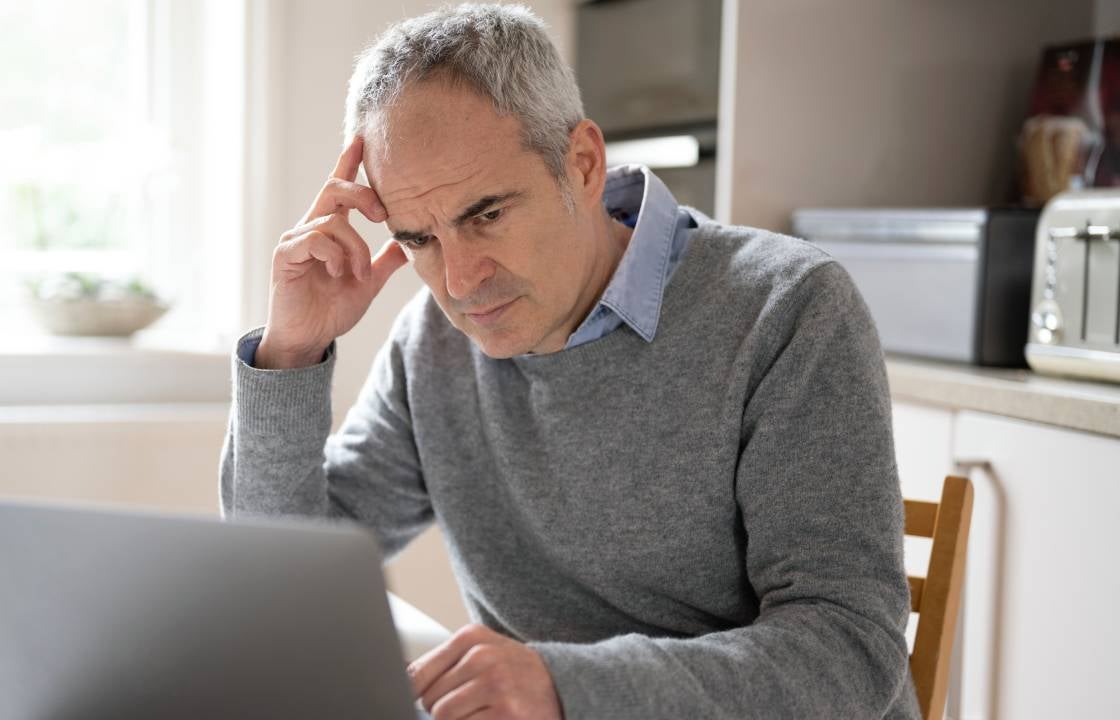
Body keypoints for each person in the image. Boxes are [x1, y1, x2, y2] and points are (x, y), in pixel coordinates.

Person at [220, 4, 920, 719]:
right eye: (418, 239)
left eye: (485, 214)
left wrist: (565, 689)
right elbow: (284, 578)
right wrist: (292, 354)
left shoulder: (785, 308)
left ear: (582, 163)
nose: (459, 283)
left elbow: (850, 647)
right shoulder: (432, 344)